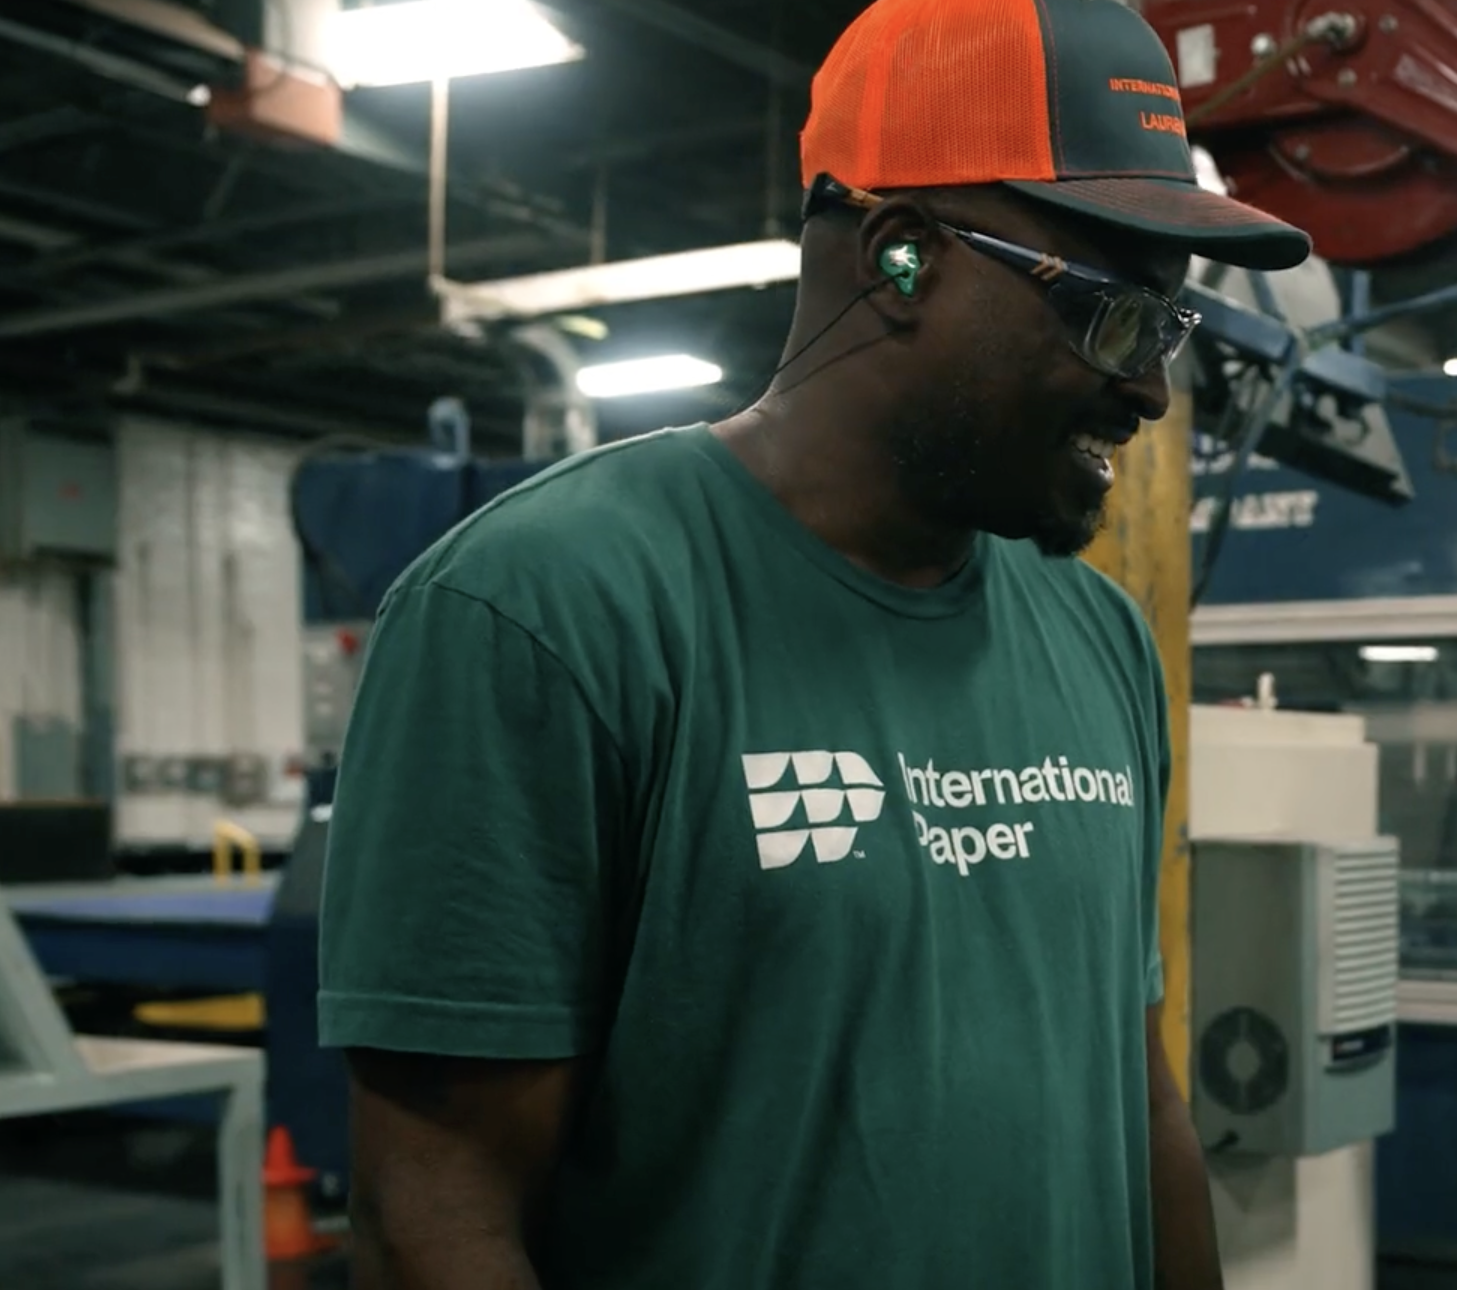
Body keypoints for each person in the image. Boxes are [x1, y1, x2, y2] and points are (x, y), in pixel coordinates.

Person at [313, 1, 1310, 1286]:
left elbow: (1144, 1101)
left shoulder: (1101, 638)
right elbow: (436, 1220)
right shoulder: (543, 611)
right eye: (1117, 315)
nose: (1149, 390)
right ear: (902, 257)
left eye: (1169, 331)